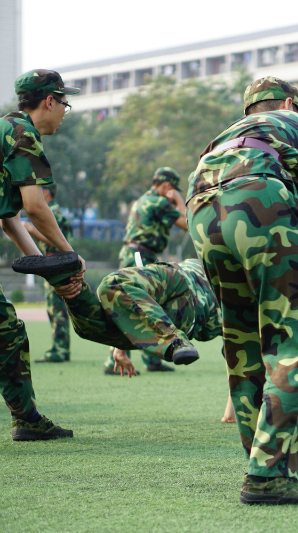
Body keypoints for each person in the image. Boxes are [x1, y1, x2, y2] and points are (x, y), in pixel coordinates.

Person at [186, 76, 298, 505]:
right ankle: (268, 475)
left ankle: (273, 461)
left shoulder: (228, 134)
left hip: (200, 208)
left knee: (242, 342)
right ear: (291, 102)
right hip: (258, 198)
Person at [0, 69, 85, 440]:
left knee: (7, 333)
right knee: (6, 333)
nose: (66, 110)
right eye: (64, 102)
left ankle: (27, 419)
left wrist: (52, 268)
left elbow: (8, 219)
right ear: (49, 100)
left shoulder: (7, 128)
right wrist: (71, 257)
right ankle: (28, 419)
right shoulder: (23, 134)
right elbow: (35, 208)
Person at [23, 258, 219, 376]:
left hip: (177, 296)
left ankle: (70, 286)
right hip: (179, 291)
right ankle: (175, 342)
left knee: (96, 322)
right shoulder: (234, 296)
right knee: (110, 292)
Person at [108, 167, 188, 374]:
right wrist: (179, 200)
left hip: (131, 253)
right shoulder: (160, 202)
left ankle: (139, 359)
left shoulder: (142, 199)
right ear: (167, 186)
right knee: (143, 306)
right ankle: (121, 359)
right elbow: (188, 224)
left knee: (126, 305)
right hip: (141, 256)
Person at [22, 182, 73, 363]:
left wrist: (31, 231)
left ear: (46, 192)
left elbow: (56, 239)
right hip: (52, 264)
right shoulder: (50, 211)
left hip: (58, 264)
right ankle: (57, 347)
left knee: (58, 309)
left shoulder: (54, 213)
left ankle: (60, 350)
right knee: (53, 309)